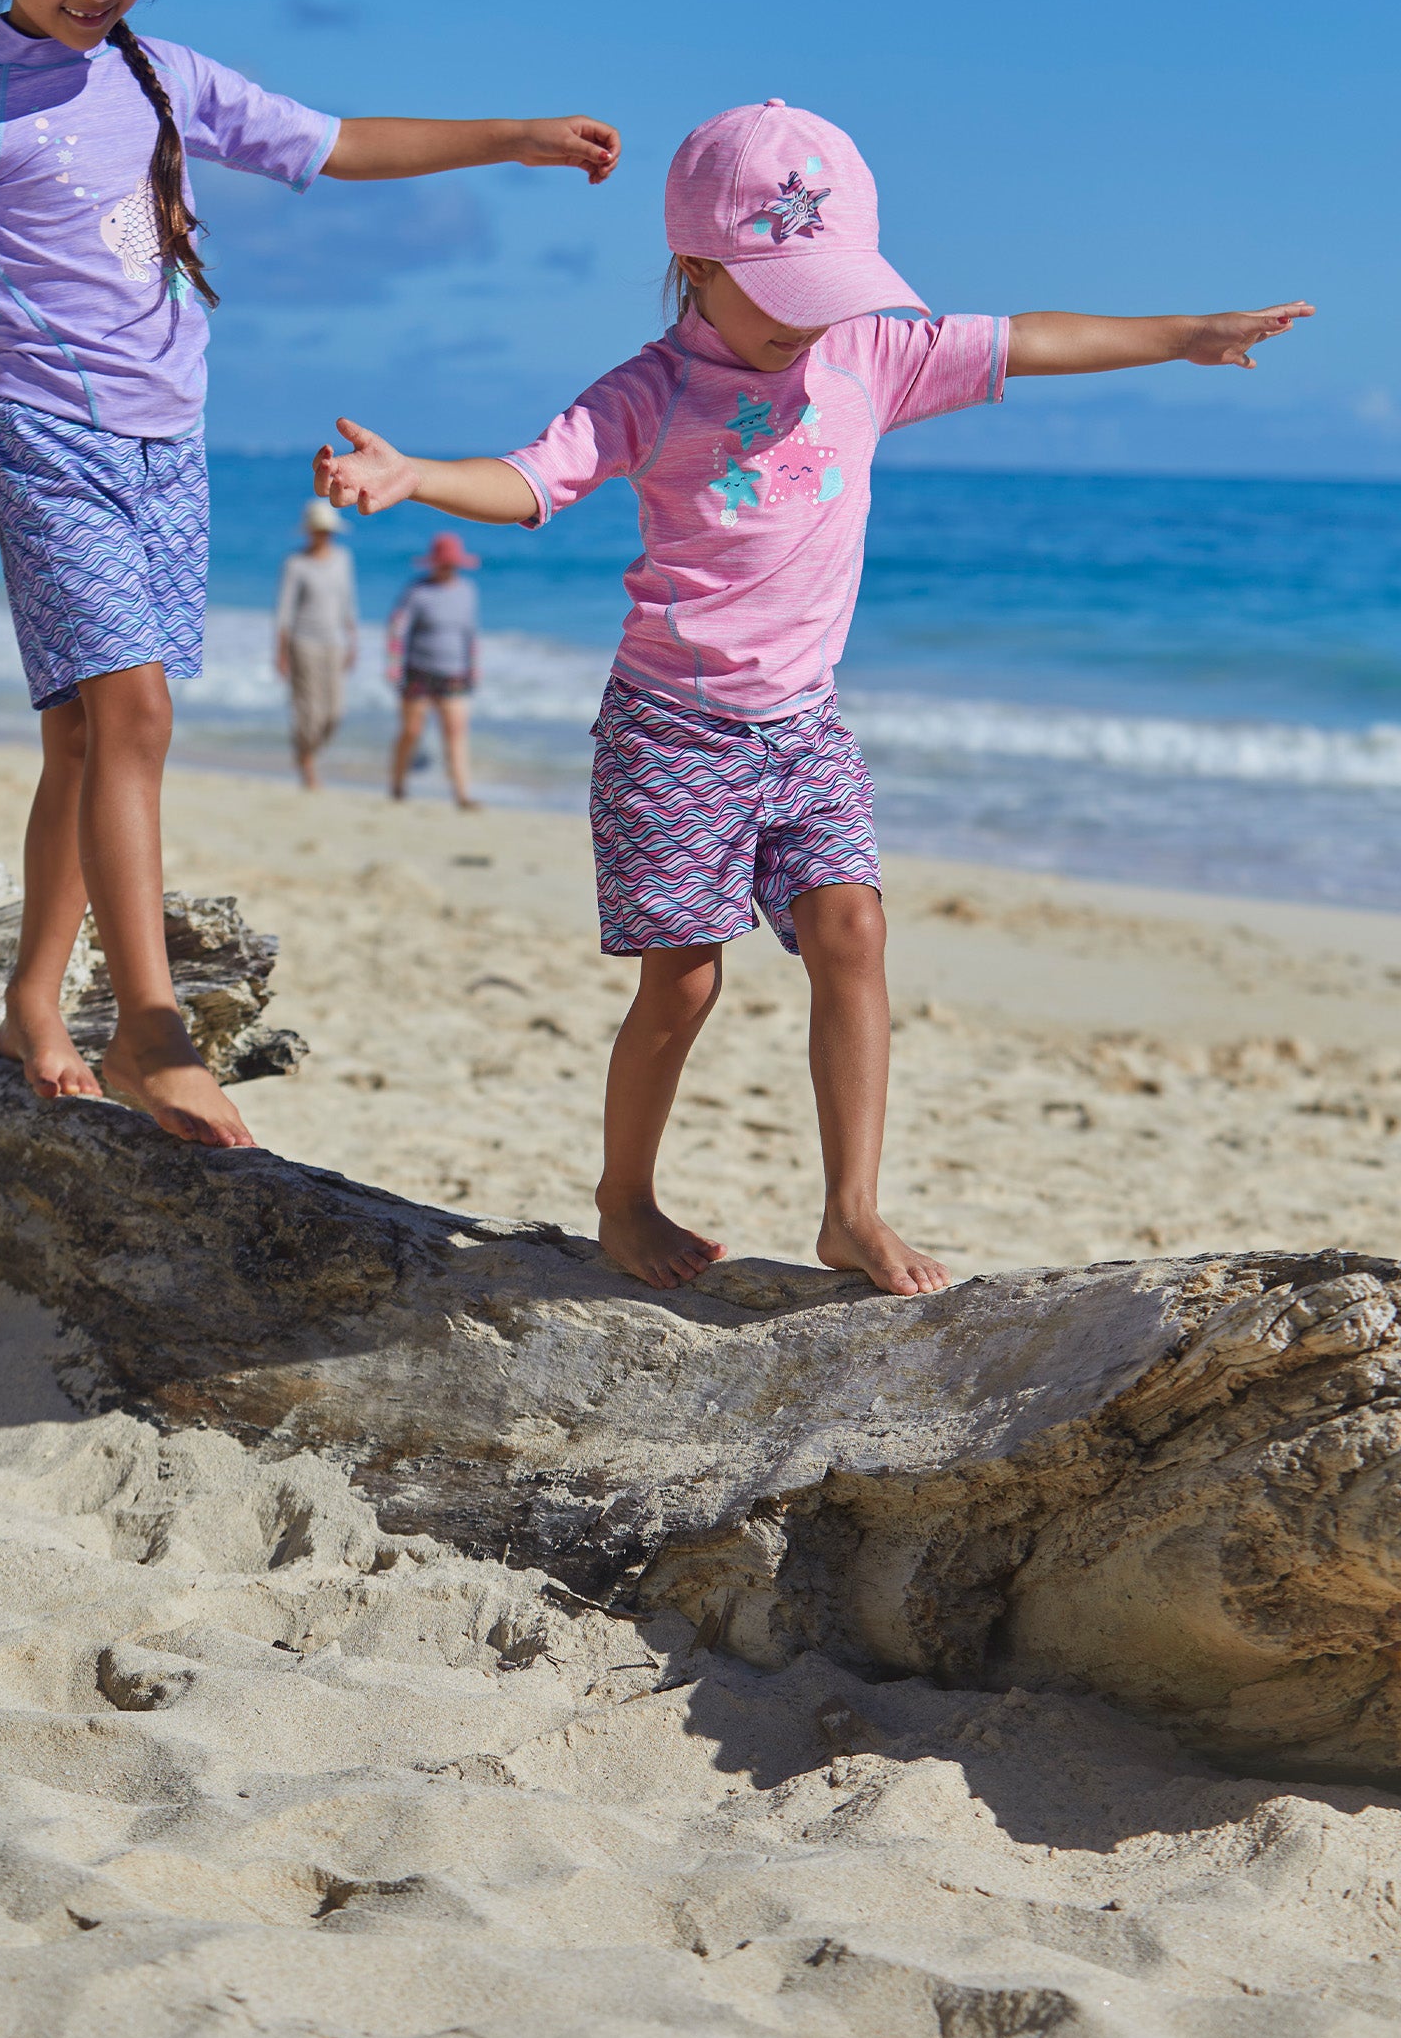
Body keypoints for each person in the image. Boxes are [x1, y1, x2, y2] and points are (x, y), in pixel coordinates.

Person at [315, 99, 1312, 1292]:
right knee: (684, 979)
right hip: (672, 729)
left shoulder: (869, 357)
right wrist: (416, 474)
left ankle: (851, 1211)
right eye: (784, 294)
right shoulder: (650, 391)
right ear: (696, 268)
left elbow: (1029, 338)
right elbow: (532, 479)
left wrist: (1185, 333)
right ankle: (624, 1196)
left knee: (853, 931)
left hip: (805, 725)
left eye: (825, 292)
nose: (807, 321)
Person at [0, 0, 619, 1148]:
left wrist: (513, 136)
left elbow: (337, 143)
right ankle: (148, 1029)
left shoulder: (165, 76)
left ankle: (32, 1004)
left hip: (170, 449)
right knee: (134, 718)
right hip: (48, 440)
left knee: (85, 736)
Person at [387, 531, 481, 809]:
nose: (447, 569)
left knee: (455, 733)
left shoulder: (467, 591)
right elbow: (397, 628)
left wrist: (474, 667)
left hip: (454, 673)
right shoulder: (417, 591)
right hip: (419, 671)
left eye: (452, 564)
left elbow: (470, 633)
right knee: (412, 730)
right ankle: (398, 785)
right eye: (444, 564)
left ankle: (462, 794)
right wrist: (394, 666)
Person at [276, 497, 358, 788]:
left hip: (334, 642)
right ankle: (307, 763)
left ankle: (305, 752)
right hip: (304, 642)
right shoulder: (296, 564)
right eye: (319, 530)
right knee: (309, 711)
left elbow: (348, 601)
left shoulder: (343, 559)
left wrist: (353, 641)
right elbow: (284, 611)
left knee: (335, 712)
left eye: (328, 531)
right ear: (310, 531)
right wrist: (281, 652)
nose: (324, 535)